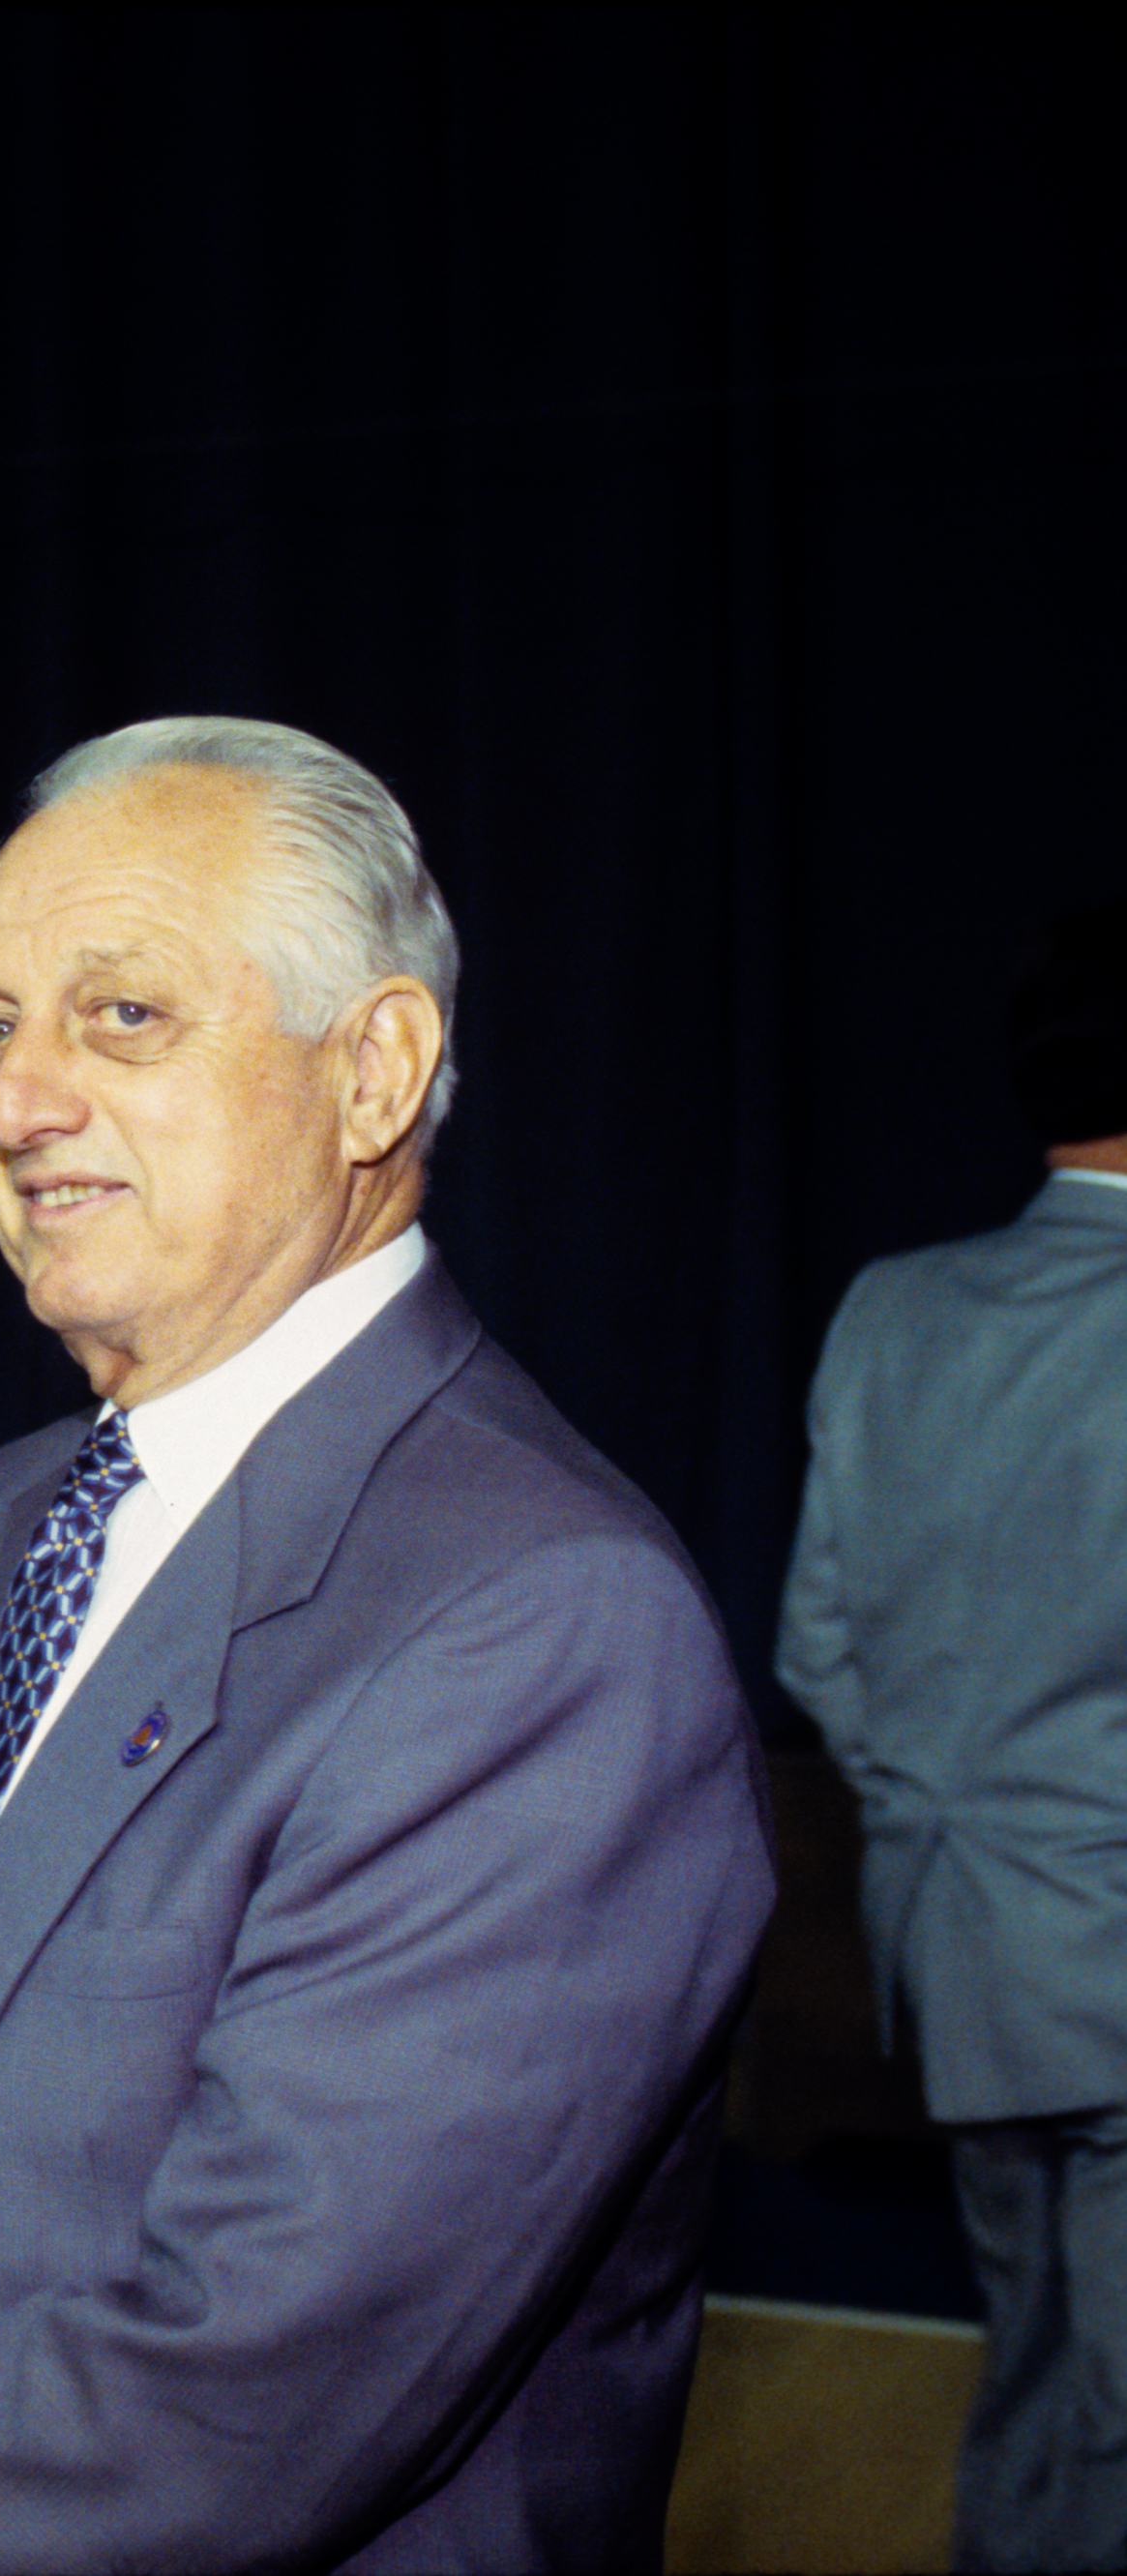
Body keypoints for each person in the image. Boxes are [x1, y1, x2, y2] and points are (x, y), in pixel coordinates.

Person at [0, 717, 775, 2574]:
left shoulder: (543, 1626)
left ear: (374, 1069)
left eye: (121, 1016)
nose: (14, 1099)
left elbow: (260, 2376)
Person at [778, 898, 1127, 2575]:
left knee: (1037, 2369)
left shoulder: (887, 1310)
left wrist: (965, 1832)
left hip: (965, 1955)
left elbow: (814, 1650)